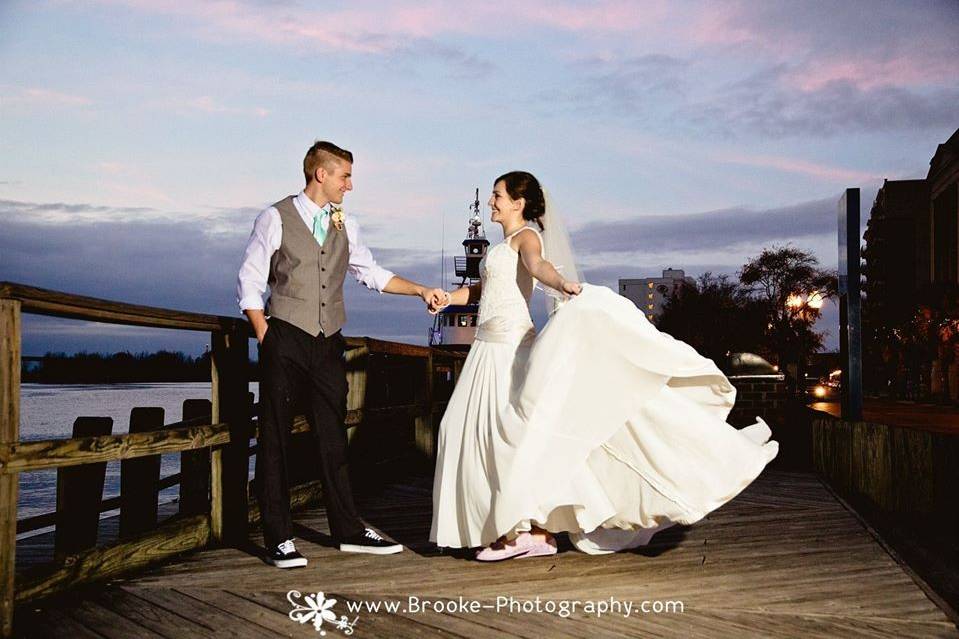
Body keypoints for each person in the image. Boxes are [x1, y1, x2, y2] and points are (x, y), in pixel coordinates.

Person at [428, 171, 778, 560]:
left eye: (497, 195)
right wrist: (450, 299)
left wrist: (562, 284)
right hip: (486, 347)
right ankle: (521, 528)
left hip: (508, 348)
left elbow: (539, 265)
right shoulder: (500, 247)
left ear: (518, 203)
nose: (491, 202)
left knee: (510, 435)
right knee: (466, 429)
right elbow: (484, 288)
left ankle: (524, 532)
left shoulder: (526, 237)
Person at [237, 140, 445, 568]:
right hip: (285, 338)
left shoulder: (344, 224)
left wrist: (420, 290)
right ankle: (279, 537)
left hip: (328, 339)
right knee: (274, 437)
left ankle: (348, 530)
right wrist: (266, 336)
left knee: (333, 438)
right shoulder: (275, 217)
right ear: (321, 175)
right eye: (345, 176)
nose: (349, 186)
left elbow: (371, 273)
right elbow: (250, 279)